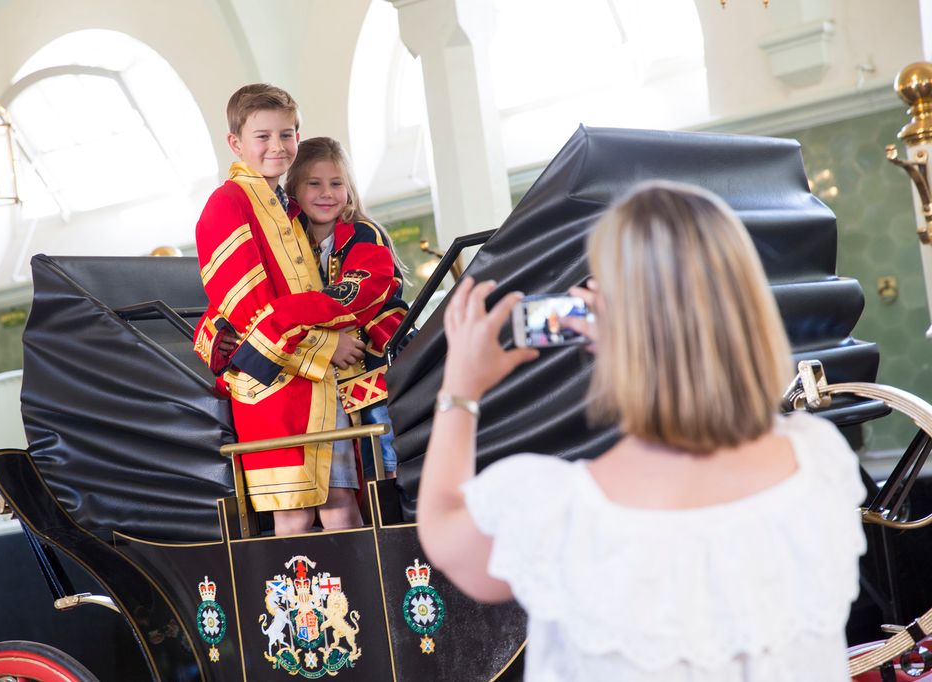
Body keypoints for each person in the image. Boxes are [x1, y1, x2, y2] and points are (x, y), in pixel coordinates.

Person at [417, 181, 867, 681]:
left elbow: (441, 525)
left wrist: (460, 387)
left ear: (620, 321)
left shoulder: (560, 511)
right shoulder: (821, 462)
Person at [192, 84, 367, 535]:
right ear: (236, 143)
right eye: (263, 136)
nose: (277, 146)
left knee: (342, 504)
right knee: (292, 511)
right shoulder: (225, 204)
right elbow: (252, 312)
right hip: (270, 385)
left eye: (287, 135)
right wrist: (328, 345)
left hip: (318, 387)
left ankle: (361, 606)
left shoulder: (288, 208)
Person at [285, 137, 409, 480]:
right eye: (314, 183)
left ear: (349, 188)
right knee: (358, 459)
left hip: (378, 358)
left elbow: (357, 292)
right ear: (294, 188)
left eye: (336, 183)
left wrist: (294, 314)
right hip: (336, 368)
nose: (327, 193)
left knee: (388, 446)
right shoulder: (294, 246)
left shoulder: (364, 232)